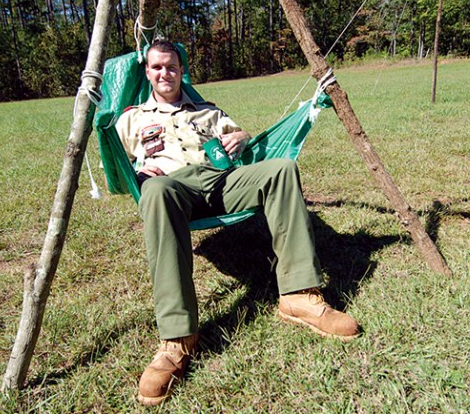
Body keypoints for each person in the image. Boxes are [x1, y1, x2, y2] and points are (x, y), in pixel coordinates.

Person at [116, 40, 360, 406]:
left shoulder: (207, 112)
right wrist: (137, 176)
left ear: (182, 70)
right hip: (170, 187)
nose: (164, 73)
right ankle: (178, 337)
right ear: (147, 73)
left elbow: (242, 138)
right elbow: (116, 166)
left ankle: (298, 295)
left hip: (220, 180)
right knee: (155, 192)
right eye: (156, 68)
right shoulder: (130, 118)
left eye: (171, 66)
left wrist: (240, 137)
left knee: (281, 169)